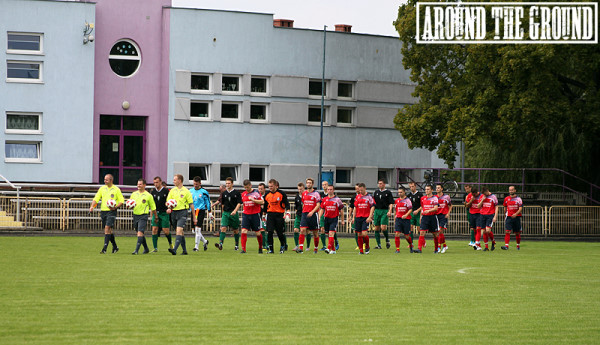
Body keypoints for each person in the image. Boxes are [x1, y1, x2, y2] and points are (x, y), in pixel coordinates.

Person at [90, 174, 124, 254]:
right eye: (104, 179)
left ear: (111, 180)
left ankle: (104, 249)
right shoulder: (102, 188)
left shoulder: (116, 189)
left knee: (107, 228)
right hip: (103, 211)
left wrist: (115, 207)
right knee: (109, 230)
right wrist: (92, 206)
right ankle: (115, 247)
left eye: (106, 180)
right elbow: (96, 199)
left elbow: (121, 201)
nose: (105, 181)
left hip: (112, 211)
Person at [166, 174, 196, 255]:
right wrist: (169, 207)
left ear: (179, 180)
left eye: (175, 180)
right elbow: (167, 202)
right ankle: (184, 251)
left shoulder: (186, 191)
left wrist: (194, 217)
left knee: (178, 231)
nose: (173, 181)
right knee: (180, 232)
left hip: (183, 212)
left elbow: (191, 205)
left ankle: (174, 249)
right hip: (174, 213)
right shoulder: (172, 191)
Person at [129, 178, 157, 254]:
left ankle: (136, 250)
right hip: (135, 215)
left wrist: (155, 216)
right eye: (138, 184)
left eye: (140, 184)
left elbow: (153, 207)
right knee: (138, 233)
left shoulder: (148, 195)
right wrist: (130, 206)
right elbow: (130, 203)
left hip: (143, 216)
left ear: (144, 185)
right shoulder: (134, 194)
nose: (138, 185)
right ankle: (146, 248)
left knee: (140, 232)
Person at [263, 179, 291, 253]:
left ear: (276, 186)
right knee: (270, 232)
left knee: (280, 232)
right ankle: (271, 249)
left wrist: (288, 212)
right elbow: (265, 206)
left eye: (271, 186)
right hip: (270, 215)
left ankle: (282, 246)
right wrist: (264, 215)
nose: (270, 188)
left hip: (279, 215)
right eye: (269, 186)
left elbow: (287, 204)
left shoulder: (281, 194)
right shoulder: (267, 195)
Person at [215, 177, 242, 250]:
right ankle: (220, 244)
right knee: (223, 228)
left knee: (235, 230)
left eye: (229, 183)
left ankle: (236, 245)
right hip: (226, 213)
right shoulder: (224, 193)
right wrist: (223, 213)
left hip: (233, 213)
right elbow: (223, 204)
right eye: (226, 183)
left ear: (232, 184)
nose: (227, 185)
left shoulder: (236, 193)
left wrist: (235, 211)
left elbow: (239, 203)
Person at [296, 178, 321, 254]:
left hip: (313, 214)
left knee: (315, 233)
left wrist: (312, 211)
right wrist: (304, 211)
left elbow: (318, 205)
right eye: (307, 183)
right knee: (302, 230)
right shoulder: (304, 193)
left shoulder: (316, 194)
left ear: (312, 184)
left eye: (310, 183)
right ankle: (300, 248)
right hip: (305, 214)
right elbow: (303, 203)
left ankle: (316, 248)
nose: (308, 184)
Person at [240, 179, 265, 254]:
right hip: (246, 215)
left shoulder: (256, 192)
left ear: (250, 185)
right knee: (244, 231)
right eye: (245, 187)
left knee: (258, 233)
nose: (246, 189)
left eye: (247, 187)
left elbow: (262, 202)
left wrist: (254, 200)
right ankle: (243, 249)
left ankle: (260, 247)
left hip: (255, 214)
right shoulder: (243, 194)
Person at [413, 185, 439, 253]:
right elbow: (422, 207)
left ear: (432, 190)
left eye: (428, 189)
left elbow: (436, 208)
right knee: (422, 232)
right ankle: (419, 249)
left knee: (435, 234)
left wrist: (429, 210)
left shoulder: (435, 198)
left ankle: (436, 249)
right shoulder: (423, 198)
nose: (426, 191)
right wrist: (421, 216)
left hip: (432, 217)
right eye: (426, 189)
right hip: (425, 217)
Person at [319, 184, 344, 254]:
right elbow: (322, 209)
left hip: (334, 219)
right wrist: (319, 217)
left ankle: (328, 248)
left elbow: (341, 210)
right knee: (328, 234)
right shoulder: (324, 199)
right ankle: (333, 250)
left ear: (333, 190)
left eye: (331, 189)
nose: (329, 191)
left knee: (331, 233)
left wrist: (342, 220)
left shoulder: (337, 199)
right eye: (328, 189)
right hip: (326, 218)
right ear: (327, 190)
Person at [150, 176, 173, 252]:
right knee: (154, 229)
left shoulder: (166, 191)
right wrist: (152, 215)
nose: (155, 184)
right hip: (156, 213)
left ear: (160, 182)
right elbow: (152, 204)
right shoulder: (153, 192)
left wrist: (170, 208)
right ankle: (155, 248)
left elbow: (170, 201)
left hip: (164, 213)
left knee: (165, 231)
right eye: (154, 183)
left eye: (157, 182)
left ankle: (170, 243)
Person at [353, 182, 375, 255]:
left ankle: (367, 246)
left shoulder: (369, 197)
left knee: (364, 234)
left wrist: (370, 216)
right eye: (359, 190)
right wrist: (353, 217)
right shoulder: (357, 197)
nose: (360, 192)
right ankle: (361, 250)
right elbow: (355, 207)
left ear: (365, 188)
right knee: (359, 234)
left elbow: (372, 206)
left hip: (365, 217)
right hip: (358, 217)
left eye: (361, 190)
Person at [190, 176, 211, 252]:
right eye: (194, 184)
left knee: (198, 229)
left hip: (201, 211)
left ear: (200, 183)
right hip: (193, 211)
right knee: (194, 231)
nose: (195, 185)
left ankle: (196, 247)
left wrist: (210, 212)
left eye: (196, 184)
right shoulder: (190, 191)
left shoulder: (204, 192)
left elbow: (208, 202)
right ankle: (205, 241)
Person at [373, 179, 394, 249]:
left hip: (384, 211)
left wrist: (390, 211)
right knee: (376, 228)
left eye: (381, 183)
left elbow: (391, 203)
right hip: (377, 211)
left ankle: (387, 239)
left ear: (384, 184)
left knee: (383, 227)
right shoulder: (376, 192)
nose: (380, 185)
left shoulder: (388, 192)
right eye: (379, 183)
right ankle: (379, 245)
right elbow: (373, 203)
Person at [502, 185, 523, 250]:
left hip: (517, 217)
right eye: (510, 190)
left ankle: (518, 245)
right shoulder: (506, 199)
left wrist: (516, 214)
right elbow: (505, 207)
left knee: (517, 233)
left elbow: (520, 208)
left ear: (515, 190)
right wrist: (505, 214)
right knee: (507, 231)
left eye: (512, 190)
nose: (511, 191)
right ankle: (506, 246)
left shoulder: (518, 199)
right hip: (509, 217)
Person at [477, 187, 499, 251]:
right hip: (482, 215)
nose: (485, 195)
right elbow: (478, 206)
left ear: (487, 191)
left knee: (488, 230)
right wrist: (482, 200)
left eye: (485, 193)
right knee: (484, 231)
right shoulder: (482, 196)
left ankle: (493, 242)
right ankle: (486, 247)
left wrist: (495, 216)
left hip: (490, 215)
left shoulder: (493, 197)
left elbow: (496, 206)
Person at [393, 186, 414, 253]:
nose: (399, 193)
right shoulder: (397, 201)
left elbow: (410, 209)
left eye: (401, 192)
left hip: (406, 220)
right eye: (398, 192)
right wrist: (394, 218)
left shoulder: (407, 200)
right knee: (397, 234)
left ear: (404, 192)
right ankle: (397, 249)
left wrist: (406, 215)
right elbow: (396, 210)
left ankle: (410, 244)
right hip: (399, 219)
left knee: (407, 236)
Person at [436, 183, 452, 253]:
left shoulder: (446, 197)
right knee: (438, 232)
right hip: (436, 215)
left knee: (440, 231)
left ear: (442, 189)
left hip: (443, 215)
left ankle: (439, 247)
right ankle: (445, 245)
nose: (437, 189)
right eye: (436, 188)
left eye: (439, 188)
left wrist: (448, 213)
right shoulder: (435, 197)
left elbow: (450, 205)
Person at [465, 186, 482, 250]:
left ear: (476, 193)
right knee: (474, 229)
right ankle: (477, 243)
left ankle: (477, 243)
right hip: (472, 213)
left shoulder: (481, 196)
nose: (472, 195)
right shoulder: (470, 196)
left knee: (478, 228)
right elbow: (467, 205)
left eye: (474, 194)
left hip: (479, 214)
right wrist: (471, 201)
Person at [346, 183, 361, 250]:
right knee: (356, 230)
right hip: (356, 215)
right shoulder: (354, 197)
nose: (357, 190)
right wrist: (349, 216)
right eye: (356, 189)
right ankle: (358, 245)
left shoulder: (365, 196)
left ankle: (364, 244)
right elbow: (351, 207)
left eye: (358, 188)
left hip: (363, 215)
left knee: (362, 231)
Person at [292, 182, 304, 251]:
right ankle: (297, 245)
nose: (300, 190)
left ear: (303, 188)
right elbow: (296, 206)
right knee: (296, 230)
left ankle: (307, 246)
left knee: (307, 231)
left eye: (301, 189)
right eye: (299, 189)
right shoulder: (296, 197)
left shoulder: (306, 196)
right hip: (298, 215)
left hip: (305, 216)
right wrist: (296, 211)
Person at [318, 180, 329, 251]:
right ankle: (324, 245)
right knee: (322, 229)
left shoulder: (331, 194)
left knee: (330, 230)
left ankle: (335, 242)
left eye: (325, 184)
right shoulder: (320, 195)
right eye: (323, 185)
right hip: (322, 214)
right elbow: (319, 205)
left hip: (330, 214)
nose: (324, 186)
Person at [258, 182, 269, 251]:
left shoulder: (267, 196)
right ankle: (264, 245)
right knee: (262, 229)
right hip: (260, 215)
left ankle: (267, 244)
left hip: (267, 214)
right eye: (259, 189)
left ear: (264, 189)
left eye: (261, 189)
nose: (260, 190)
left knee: (267, 229)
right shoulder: (257, 196)